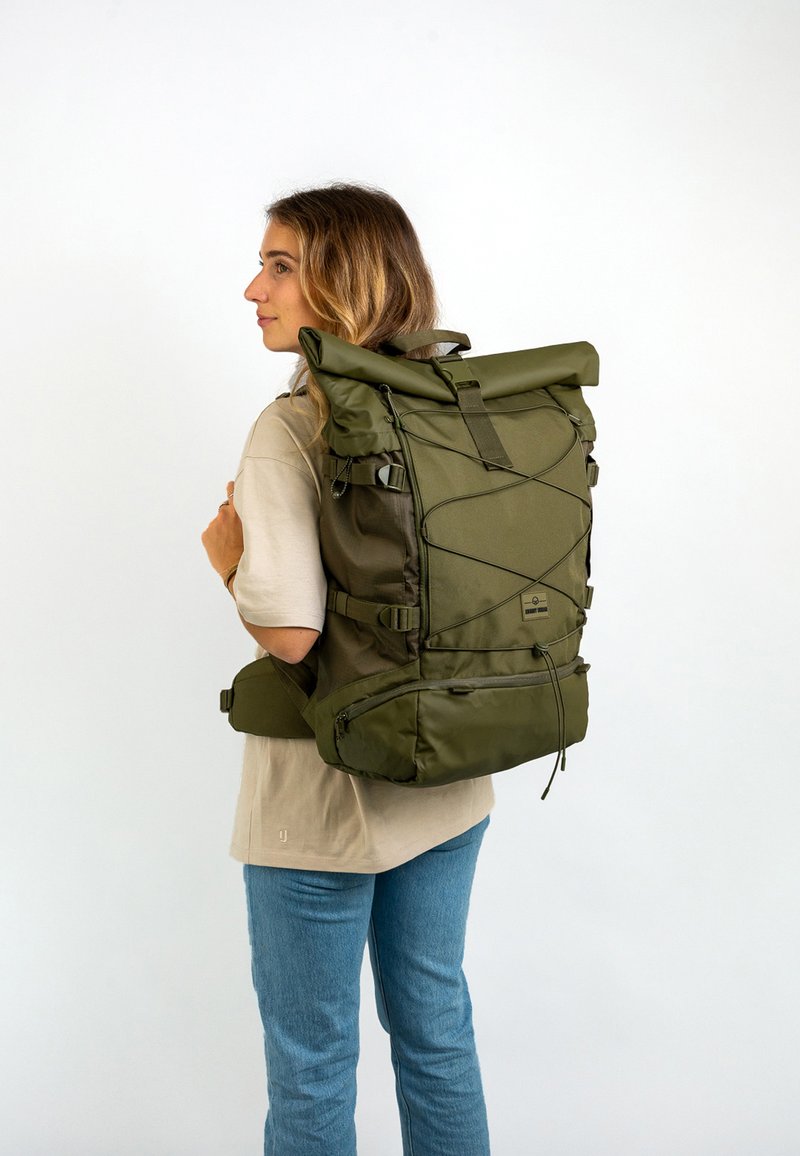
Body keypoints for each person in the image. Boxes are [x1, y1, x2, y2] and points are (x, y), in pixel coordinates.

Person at [201, 183, 494, 1156]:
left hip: (322, 804)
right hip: (451, 769)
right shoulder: (449, 405)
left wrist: (227, 558)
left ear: (345, 280)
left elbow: (290, 634)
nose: (255, 288)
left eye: (280, 266)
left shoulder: (291, 428)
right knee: (436, 1031)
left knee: (313, 1065)